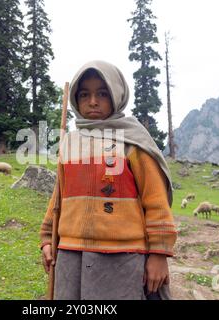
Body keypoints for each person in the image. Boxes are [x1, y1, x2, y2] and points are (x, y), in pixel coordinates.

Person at [39, 60, 177, 300]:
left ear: (116, 95)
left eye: (102, 93)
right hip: (71, 255)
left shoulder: (133, 142)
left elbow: (155, 201)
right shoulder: (70, 144)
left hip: (121, 258)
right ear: (75, 99)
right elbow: (60, 197)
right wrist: (46, 238)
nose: (93, 101)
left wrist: (159, 254)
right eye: (85, 94)